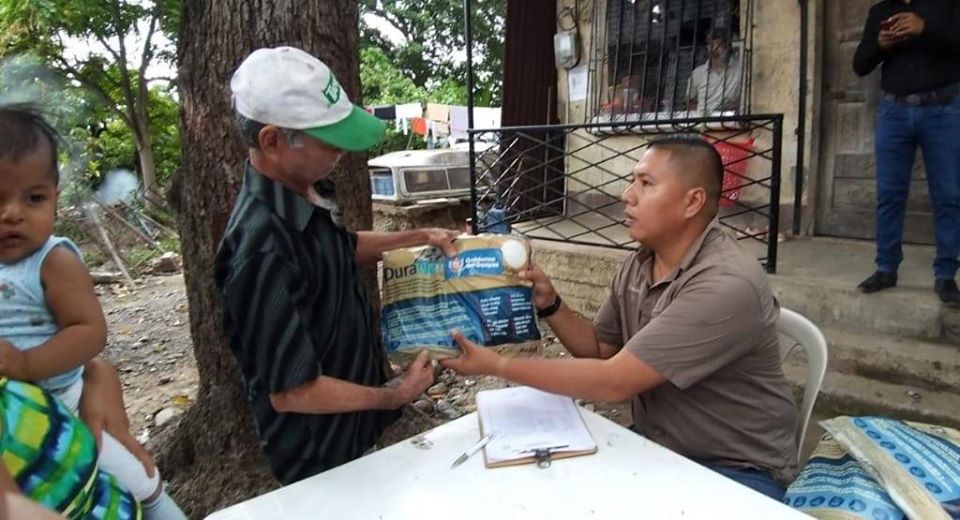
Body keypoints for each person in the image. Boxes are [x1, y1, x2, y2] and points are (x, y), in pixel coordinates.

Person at [442, 136, 799, 500]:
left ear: (692, 202)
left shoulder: (725, 284)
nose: (627, 195)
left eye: (646, 183)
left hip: (735, 468)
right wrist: (551, 305)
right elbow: (600, 350)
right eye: (632, 180)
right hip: (659, 448)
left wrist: (497, 365)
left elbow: (614, 382)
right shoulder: (641, 262)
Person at [216, 46, 458, 485]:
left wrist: (420, 237)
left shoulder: (308, 189)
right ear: (272, 140)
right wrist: (394, 395)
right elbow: (294, 392)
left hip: (358, 431)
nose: (343, 150)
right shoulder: (261, 248)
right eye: (330, 141)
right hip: (318, 454)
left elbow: (338, 249)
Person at [0, 104, 185, 519]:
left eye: (34, 198)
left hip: (64, 400)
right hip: (15, 419)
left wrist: (27, 363)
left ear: (55, 197)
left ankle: (163, 508)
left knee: (132, 474)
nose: (13, 213)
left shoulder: (52, 260)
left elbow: (88, 331)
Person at [853, 0, 960, 306]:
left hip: (944, 108)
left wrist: (925, 27)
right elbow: (860, 65)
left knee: (949, 194)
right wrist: (880, 44)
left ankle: (946, 274)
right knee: (889, 194)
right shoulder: (881, 10)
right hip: (894, 111)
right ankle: (886, 268)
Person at [686, 31, 743, 115]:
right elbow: (689, 101)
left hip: (731, 118)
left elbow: (746, 96)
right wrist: (704, 114)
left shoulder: (740, 68)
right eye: (722, 46)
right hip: (704, 120)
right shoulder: (697, 74)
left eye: (726, 45)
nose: (726, 49)